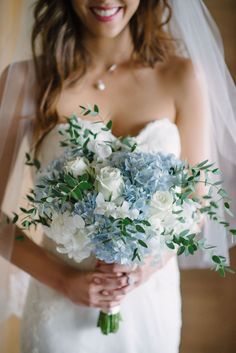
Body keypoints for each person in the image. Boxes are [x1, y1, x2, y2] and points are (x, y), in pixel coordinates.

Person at [0, 1, 235, 353]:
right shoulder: (25, 80)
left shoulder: (182, 77)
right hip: (58, 308)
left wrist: (144, 270)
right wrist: (64, 281)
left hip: (148, 307)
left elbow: (196, 207)